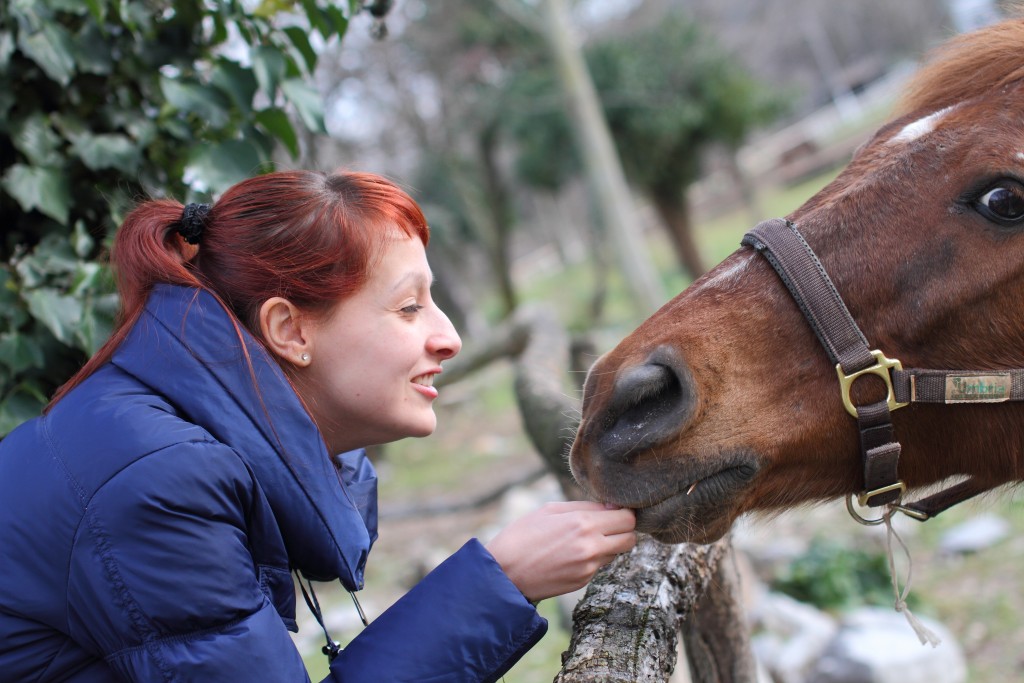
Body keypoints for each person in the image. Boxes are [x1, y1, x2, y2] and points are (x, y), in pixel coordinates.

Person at [0, 170, 637, 682]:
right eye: (410, 306)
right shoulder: (157, 482)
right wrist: (503, 579)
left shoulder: (176, 438)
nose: (450, 337)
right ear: (290, 330)